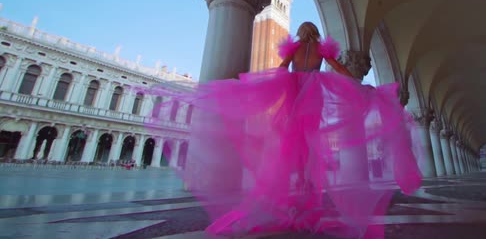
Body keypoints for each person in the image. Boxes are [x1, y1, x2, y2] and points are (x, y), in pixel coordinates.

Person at [144, 22, 421, 238]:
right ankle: (309, 190)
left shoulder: (293, 48)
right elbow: (339, 69)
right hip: (314, 100)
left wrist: (264, 86)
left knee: (294, 145)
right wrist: (358, 86)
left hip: (293, 98)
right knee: (312, 147)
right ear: (315, 33)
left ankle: (296, 190)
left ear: (300, 33)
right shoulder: (322, 50)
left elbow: (280, 70)